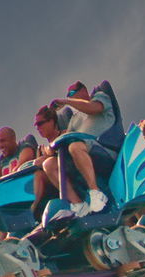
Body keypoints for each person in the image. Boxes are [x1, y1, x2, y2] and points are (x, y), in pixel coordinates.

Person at [43, 80, 116, 215]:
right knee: (49, 164)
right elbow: (66, 137)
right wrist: (49, 150)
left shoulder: (99, 97)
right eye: (68, 95)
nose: (70, 96)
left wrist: (66, 101)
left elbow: (94, 108)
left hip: (104, 149)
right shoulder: (75, 119)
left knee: (75, 146)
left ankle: (96, 193)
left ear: (83, 90)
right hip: (82, 152)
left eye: (72, 93)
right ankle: (78, 204)